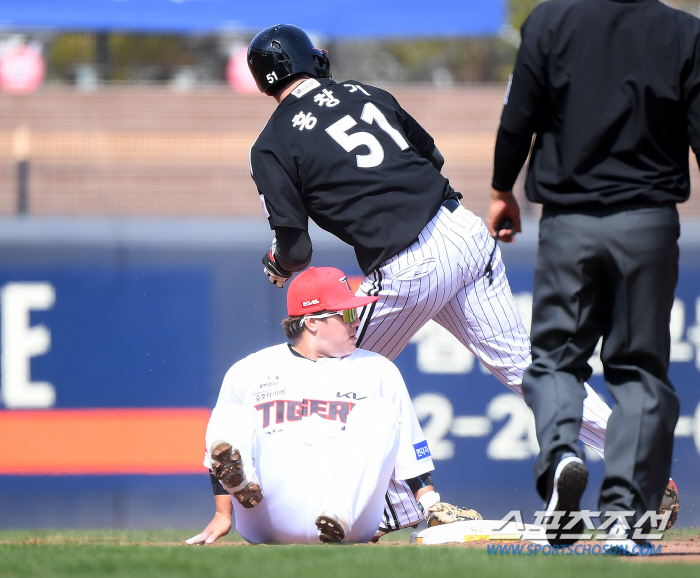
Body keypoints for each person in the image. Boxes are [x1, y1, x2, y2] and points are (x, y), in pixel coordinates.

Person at [245, 23, 614, 536]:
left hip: (408, 261)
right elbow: (431, 157)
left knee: (339, 376)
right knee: (523, 367)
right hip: (462, 230)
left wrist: (277, 264)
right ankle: (633, 451)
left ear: (264, 82)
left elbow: (297, 248)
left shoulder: (270, 145)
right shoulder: (367, 93)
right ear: (312, 59)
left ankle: (397, 506)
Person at [487, 0, 696, 551]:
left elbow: (518, 117)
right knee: (639, 370)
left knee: (557, 360)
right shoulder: (682, 31)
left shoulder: (550, 22)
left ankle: (562, 456)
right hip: (648, 222)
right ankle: (626, 517)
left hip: (568, 223)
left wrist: (501, 189)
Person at [186, 266, 476, 545]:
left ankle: (339, 512)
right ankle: (242, 484)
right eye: (347, 312)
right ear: (312, 321)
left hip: (349, 521)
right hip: (268, 516)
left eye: (357, 311)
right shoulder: (251, 369)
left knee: (380, 413)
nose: (357, 320)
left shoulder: (377, 370)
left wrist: (431, 504)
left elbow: (409, 453)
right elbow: (221, 447)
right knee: (228, 414)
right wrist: (222, 514)